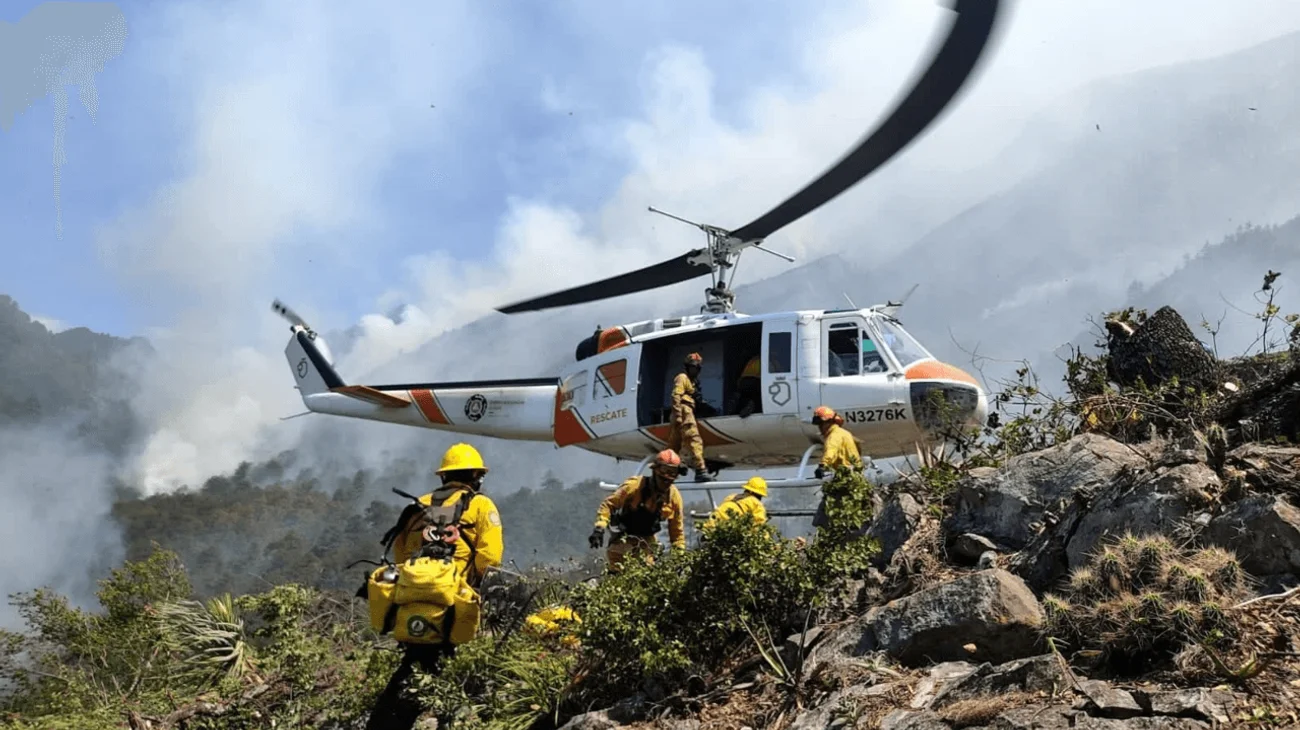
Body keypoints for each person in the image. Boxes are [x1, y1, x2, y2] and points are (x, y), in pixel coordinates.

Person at [367, 442, 504, 730]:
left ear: (443, 476)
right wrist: (476, 586)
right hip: (454, 602)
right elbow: (490, 558)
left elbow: (401, 554)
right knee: (449, 669)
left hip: (412, 602)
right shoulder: (481, 505)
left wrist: (420, 584)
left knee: (416, 664)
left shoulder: (419, 505)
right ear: (476, 476)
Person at [589, 449, 687, 571]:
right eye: (662, 479)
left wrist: (679, 558)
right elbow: (608, 505)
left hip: (647, 540)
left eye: (669, 481)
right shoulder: (634, 486)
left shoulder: (673, 498)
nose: (665, 484)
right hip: (624, 537)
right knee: (618, 569)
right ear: (655, 472)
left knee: (646, 571)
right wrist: (599, 528)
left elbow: (677, 533)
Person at [809, 406, 866, 532]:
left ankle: (831, 533)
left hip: (846, 478)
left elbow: (830, 451)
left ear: (828, 422)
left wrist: (822, 466)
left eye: (821, 424)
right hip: (857, 477)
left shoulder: (833, 436)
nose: (820, 428)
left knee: (826, 512)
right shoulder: (845, 433)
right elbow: (858, 449)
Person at [669, 352, 713, 482]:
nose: (695, 370)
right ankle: (700, 470)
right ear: (687, 367)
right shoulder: (682, 378)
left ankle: (671, 467)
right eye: (693, 367)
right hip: (684, 411)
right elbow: (676, 396)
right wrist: (678, 415)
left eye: (697, 368)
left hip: (683, 411)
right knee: (694, 439)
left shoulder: (692, 383)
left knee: (675, 444)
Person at [705, 475, 769, 527]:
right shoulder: (757, 504)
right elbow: (759, 526)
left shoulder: (731, 497)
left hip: (711, 525)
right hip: (728, 529)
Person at [733, 354, 762, 418]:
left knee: (745, 398)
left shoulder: (754, 359)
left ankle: (741, 410)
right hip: (755, 382)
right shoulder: (768, 360)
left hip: (745, 382)